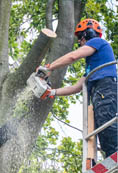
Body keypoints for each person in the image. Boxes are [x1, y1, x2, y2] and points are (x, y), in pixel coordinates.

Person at [44, 18, 117, 158]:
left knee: (107, 123)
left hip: (105, 88)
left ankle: (114, 156)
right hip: (100, 91)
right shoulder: (93, 68)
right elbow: (76, 87)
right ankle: (111, 157)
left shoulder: (97, 42)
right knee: (103, 127)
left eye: (80, 37)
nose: (79, 42)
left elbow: (72, 56)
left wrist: (49, 67)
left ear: (88, 33)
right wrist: (51, 92)